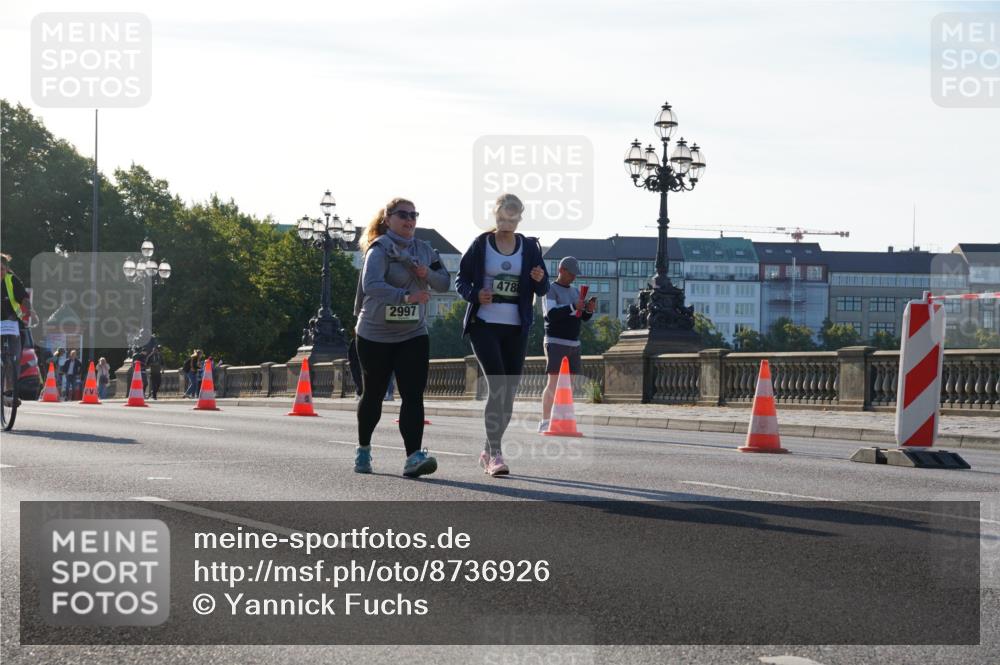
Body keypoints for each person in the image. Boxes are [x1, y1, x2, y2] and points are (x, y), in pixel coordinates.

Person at [352, 197, 450, 477]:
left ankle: (413, 457)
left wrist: (426, 273)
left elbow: (444, 283)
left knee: (413, 395)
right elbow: (371, 284)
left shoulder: (425, 249)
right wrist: (406, 296)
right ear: (388, 218)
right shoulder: (380, 249)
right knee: (373, 394)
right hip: (375, 334)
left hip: (413, 333)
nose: (410, 220)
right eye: (403, 214)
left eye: (414, 215)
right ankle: (363, 449)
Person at [456, 193, 549, 476]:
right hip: (484, 324)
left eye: (512, 218)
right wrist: (476, 294)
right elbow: (461, 280)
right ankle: (496, 454)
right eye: (501, 217)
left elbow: (544, 288)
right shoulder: (481, 244)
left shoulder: (530, 248)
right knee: (498, 386)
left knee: (508, 394)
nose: (506, 222)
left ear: (520, 217)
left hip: (516, 328)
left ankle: (488, 447)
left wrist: (539, 279)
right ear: (494, 216)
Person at [539, 256, 596, 433]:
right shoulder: (550, 289)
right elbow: (551, 314)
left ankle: (561, 419)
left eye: (575, 274)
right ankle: (545, 420)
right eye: (571, 273)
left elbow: (581, 317)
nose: (574, 277)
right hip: (555, 341)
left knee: (568, 386)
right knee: (554, 383)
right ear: (561, 270)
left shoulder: (575, 291)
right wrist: (573, 306)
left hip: (573, 342)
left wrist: (588, 310)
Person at [1, 254, 31, 405]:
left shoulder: (12, 280)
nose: (0, 272)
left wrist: (27, 311)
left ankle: (9, 392)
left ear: (6, 269)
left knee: (15, 356)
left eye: (2, 269)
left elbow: (25, 299)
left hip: (12, 323)